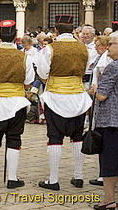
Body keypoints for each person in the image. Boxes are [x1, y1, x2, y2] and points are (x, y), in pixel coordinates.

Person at [37, 15, 92, 190]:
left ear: (56, 30)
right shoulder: (84, 49)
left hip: (55, 97)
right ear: (73, 29)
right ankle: (79, 176)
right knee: (77, 137)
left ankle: (53, 180)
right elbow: (87, 68)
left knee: (55, 137)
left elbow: (43, 73)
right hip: (78, 96)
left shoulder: (50, 49)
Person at [0, 20, 35, 189]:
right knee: (14, 138)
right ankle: (12, 178)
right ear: (16, 36)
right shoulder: (24, 57)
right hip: (16, 102)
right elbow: (28, 81)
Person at [91, 31, 118, 210]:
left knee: (109, 161)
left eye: (112, 43)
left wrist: (95, 89)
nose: (107, 47)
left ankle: (109, 199)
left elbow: (101, 95)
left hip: (110, 120)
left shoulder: (113, 67)